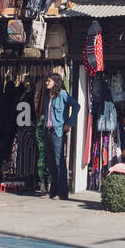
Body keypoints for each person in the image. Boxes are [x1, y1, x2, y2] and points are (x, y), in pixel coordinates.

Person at [42, 70, 79, 200]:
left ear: (56, 83)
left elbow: (76, 106)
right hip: (48, 130)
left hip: (58, 132)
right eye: (47, 80)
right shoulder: (47, 96)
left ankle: (62, 192)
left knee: (59, 162)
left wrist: (69, 123)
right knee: (51, 162)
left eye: (49, 81)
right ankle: (53, 191)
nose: (46, 83)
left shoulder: (63, 94)